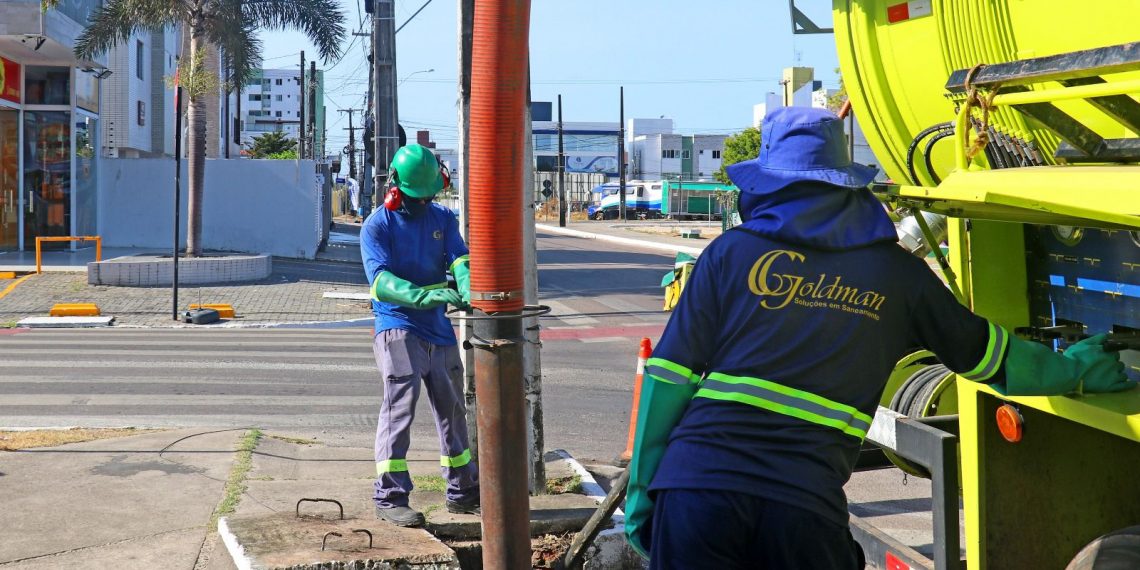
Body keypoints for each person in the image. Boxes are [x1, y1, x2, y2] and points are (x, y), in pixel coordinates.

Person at [624, 107, 1133, 568]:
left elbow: (669, 377)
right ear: (848, 186)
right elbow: (993, 358)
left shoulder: (729, 253)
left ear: (766, 185)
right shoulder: (899, 275)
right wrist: (1078, 369)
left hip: (697, 488)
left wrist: (644, 492)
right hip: (804, 505)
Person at [361, 143, 479, 527]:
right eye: (417, 197)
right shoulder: (378, 225)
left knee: (453, 410)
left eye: (429, 196)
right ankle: (390, 496)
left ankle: (462, 491)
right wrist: (423, 295)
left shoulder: (442, 218)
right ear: (395, 185)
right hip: (397, 325)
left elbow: (460, 258)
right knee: (400, 407)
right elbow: (380, 282)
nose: (424, 203)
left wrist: (466, 284)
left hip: (438, 330)